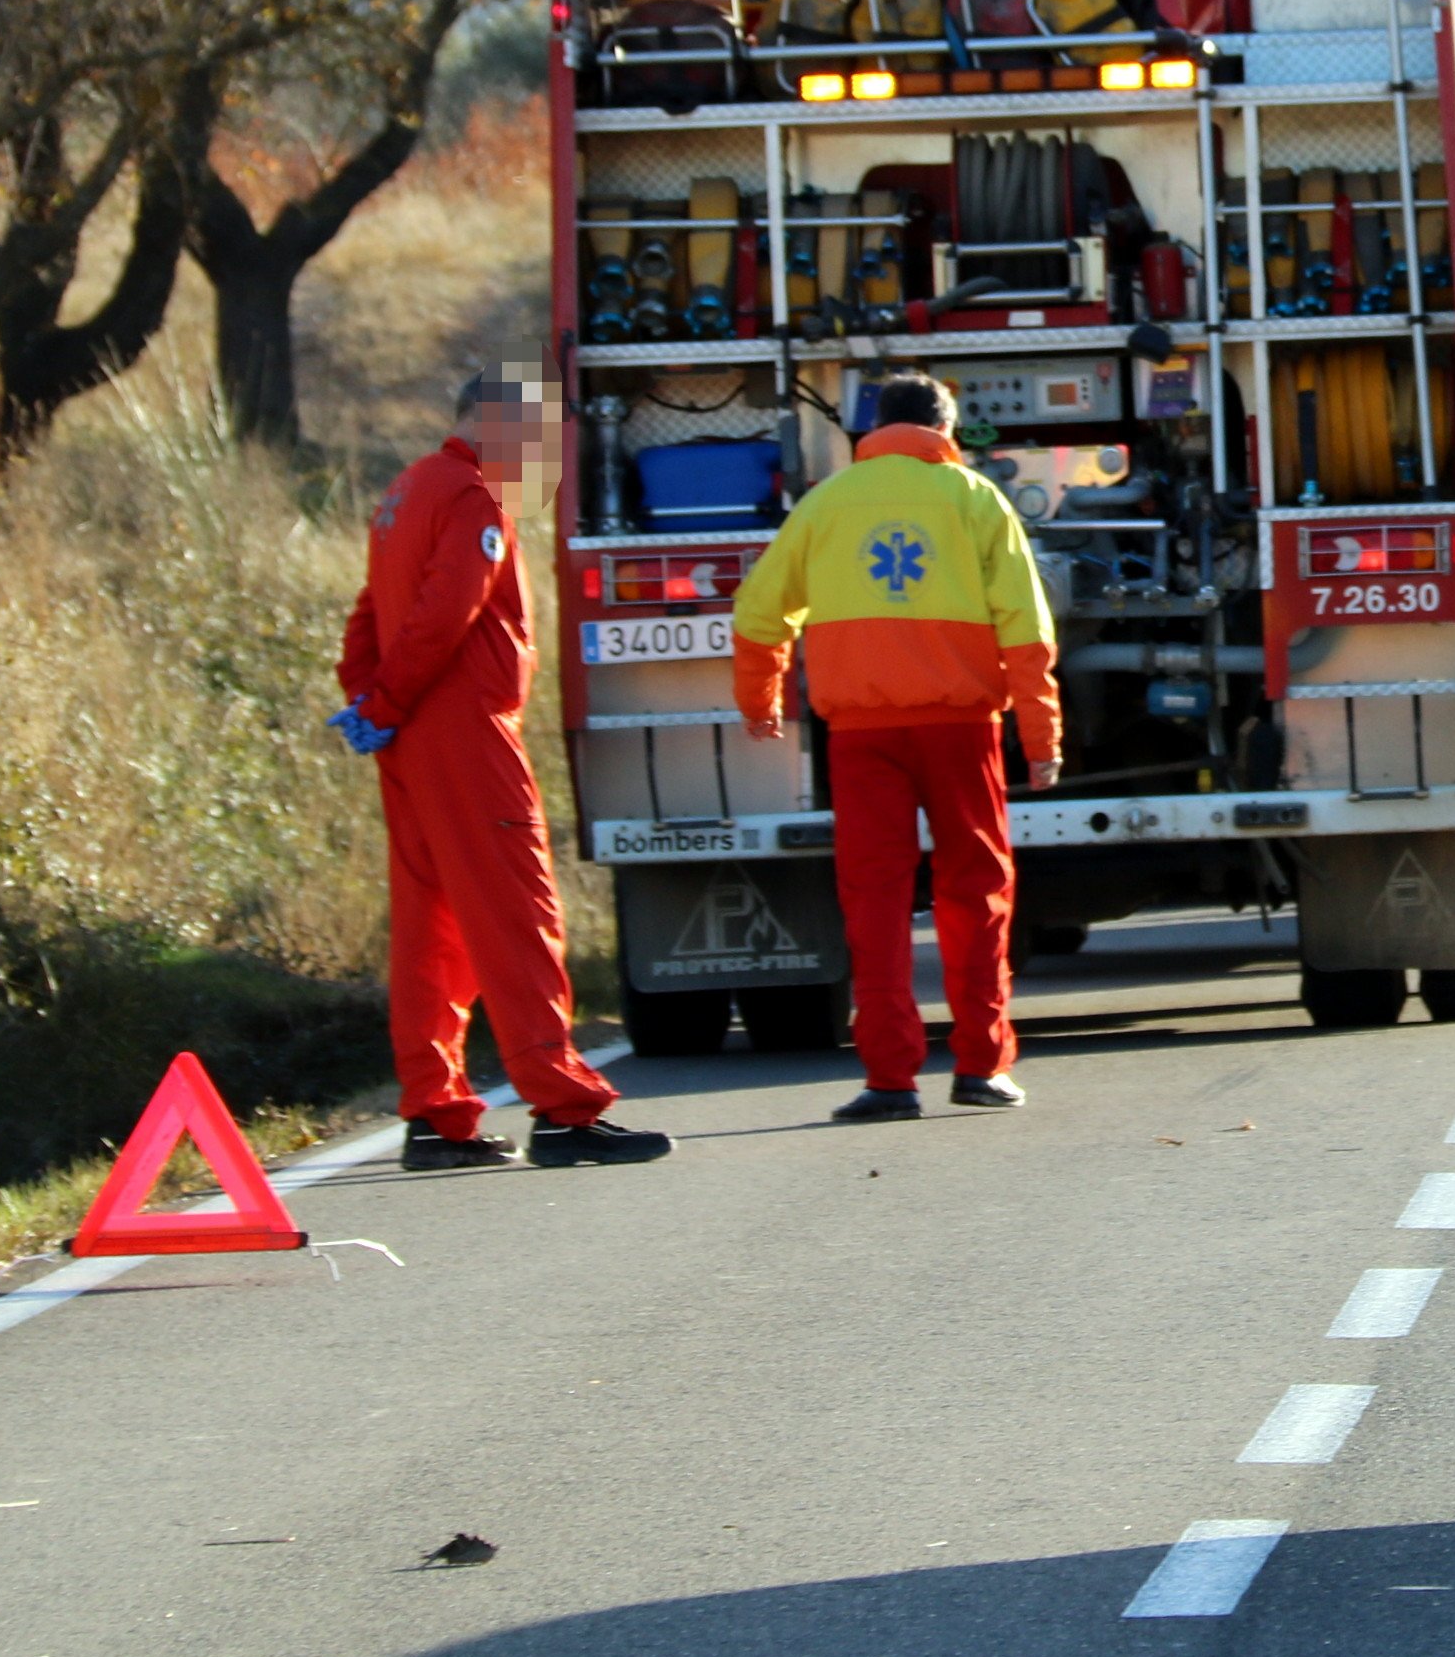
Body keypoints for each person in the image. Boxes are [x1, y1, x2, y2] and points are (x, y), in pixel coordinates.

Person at [335, 368, 670, 1172]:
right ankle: (562, 1107)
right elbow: (447, 610)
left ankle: (434, 1112)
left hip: (412, 736)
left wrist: (372, 702)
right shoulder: (478, 498)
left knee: (432, 930)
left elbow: (370, 613)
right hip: (464, 733)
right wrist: (387, 700)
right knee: (517, 914)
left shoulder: (408, 490)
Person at [732, 376, 1061, 1120]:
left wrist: (761, 700)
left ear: (872, 428)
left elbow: (758, 612)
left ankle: (888, 1079)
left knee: (873, 901)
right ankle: (980, 1065)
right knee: (976, 894)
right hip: (962, 729)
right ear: (947, 428)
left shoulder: (825, 503)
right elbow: (1026, 631)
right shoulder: (979, 501)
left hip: (861, 735)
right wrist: (1041, 738)